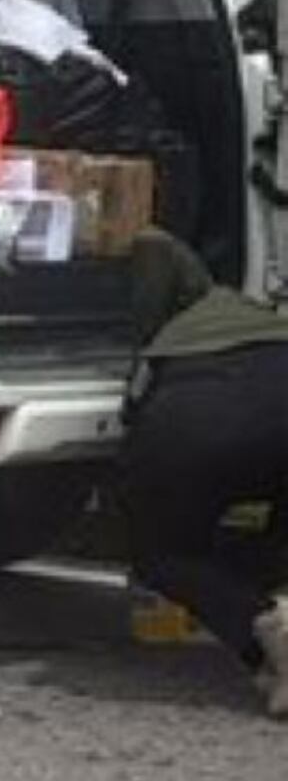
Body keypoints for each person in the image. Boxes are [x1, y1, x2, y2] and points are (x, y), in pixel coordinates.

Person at [121, 228, 288, 715]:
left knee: (165, 554)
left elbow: (150, 244)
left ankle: (266, 633)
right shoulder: (247, 306)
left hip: (197, 417)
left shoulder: (167, 334)